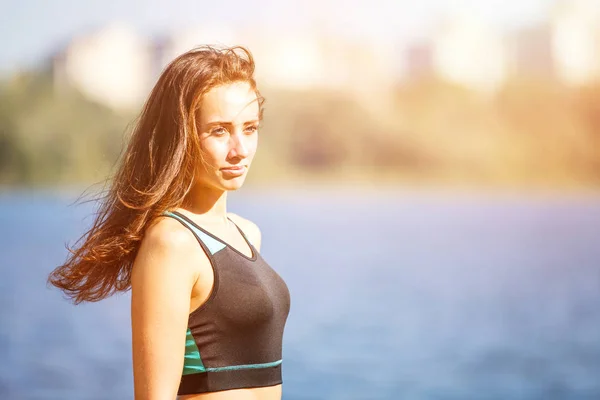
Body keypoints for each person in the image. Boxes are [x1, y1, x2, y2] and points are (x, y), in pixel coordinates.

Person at [48, 45, 291, 400]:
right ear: (183, 135)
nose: (240, 149)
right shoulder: (172, 242)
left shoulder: (247, 233)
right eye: (219, 131)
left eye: (250, 128)